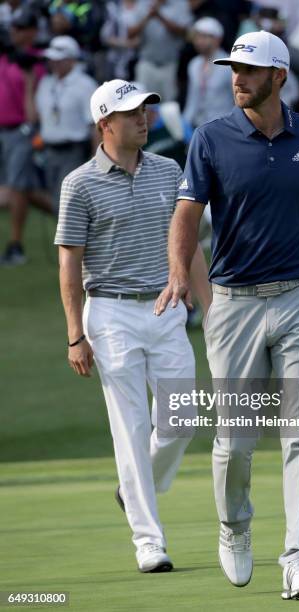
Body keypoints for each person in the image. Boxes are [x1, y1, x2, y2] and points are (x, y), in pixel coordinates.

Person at [155, 31, 299, 599]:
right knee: (237, 441)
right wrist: (177, 274)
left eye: (248, 70)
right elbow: (187, 214)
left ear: (279, 76)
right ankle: (235, 526)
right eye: (233, 69)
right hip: (235, 304)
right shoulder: (211, 138)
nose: (236, 78)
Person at [54, 79, 212, 572]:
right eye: (131, 113)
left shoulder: (168, 170)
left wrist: (212, 312)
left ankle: (132, 487)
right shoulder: (78, 183)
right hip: (111, 312)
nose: (143, 118)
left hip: (167, 310)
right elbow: (69, 263)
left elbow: (191, 245)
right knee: (131, 428)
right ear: (105, 123)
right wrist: (75, 334)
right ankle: (149, 541)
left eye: (145, 110)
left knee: (181, 419)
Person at [0, 8, 49, 265]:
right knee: (21, 189)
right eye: (13, 28)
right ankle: (66, 213)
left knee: (19, 187)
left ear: (32, 31)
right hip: (3, 130)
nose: (14, 32)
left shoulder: (36, 61)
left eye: (20, 28)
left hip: (23, 129)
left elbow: (36, 101)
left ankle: (15, 245)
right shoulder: (6, 56)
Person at [35, 35, 98, 211]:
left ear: (71, 60)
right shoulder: (46, 83)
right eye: (51, 59)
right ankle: (66, 239)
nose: (53, 63)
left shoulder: (85, 85)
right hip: (48, 150)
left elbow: (94, 125)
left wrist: (96, 157)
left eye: (58, 60)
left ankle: (74, 238)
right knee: (57, 201)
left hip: (74, 151)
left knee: (70, 201)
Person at [127, 0, 193, 101]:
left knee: (169, 105)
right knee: (142, 102)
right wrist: (148, 16)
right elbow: (130, 34)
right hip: (146, 62)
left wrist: (159, 16)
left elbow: (184, 33)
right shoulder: (142, 3)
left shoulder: (180, 3)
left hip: (170, 64)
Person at [183, 17, 234, 128]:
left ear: (217, 39)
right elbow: (192, 98)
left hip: (223, 126)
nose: (199, 41)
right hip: (198, 125)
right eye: (197, 37)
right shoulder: (194, 64)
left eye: (204, 37)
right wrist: (185, 121)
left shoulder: (229, 65)